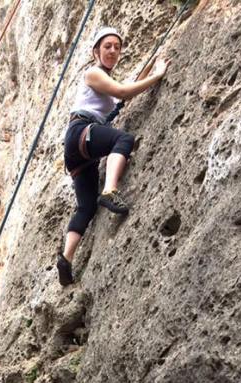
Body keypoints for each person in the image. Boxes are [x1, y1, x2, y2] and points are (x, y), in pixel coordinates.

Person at [57, 26, 170, 286]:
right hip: (81, 131)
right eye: (107, 46)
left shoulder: (105, 80)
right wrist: (158, 76)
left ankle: (66, 258)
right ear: (96, 51)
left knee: (86, 207)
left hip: (78, 149)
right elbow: (122, 92)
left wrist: (150, 70)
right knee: (123, 139)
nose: (113, 51)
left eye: (117, 47)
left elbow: (126, 88)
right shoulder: (93, 72)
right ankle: (110, 189)